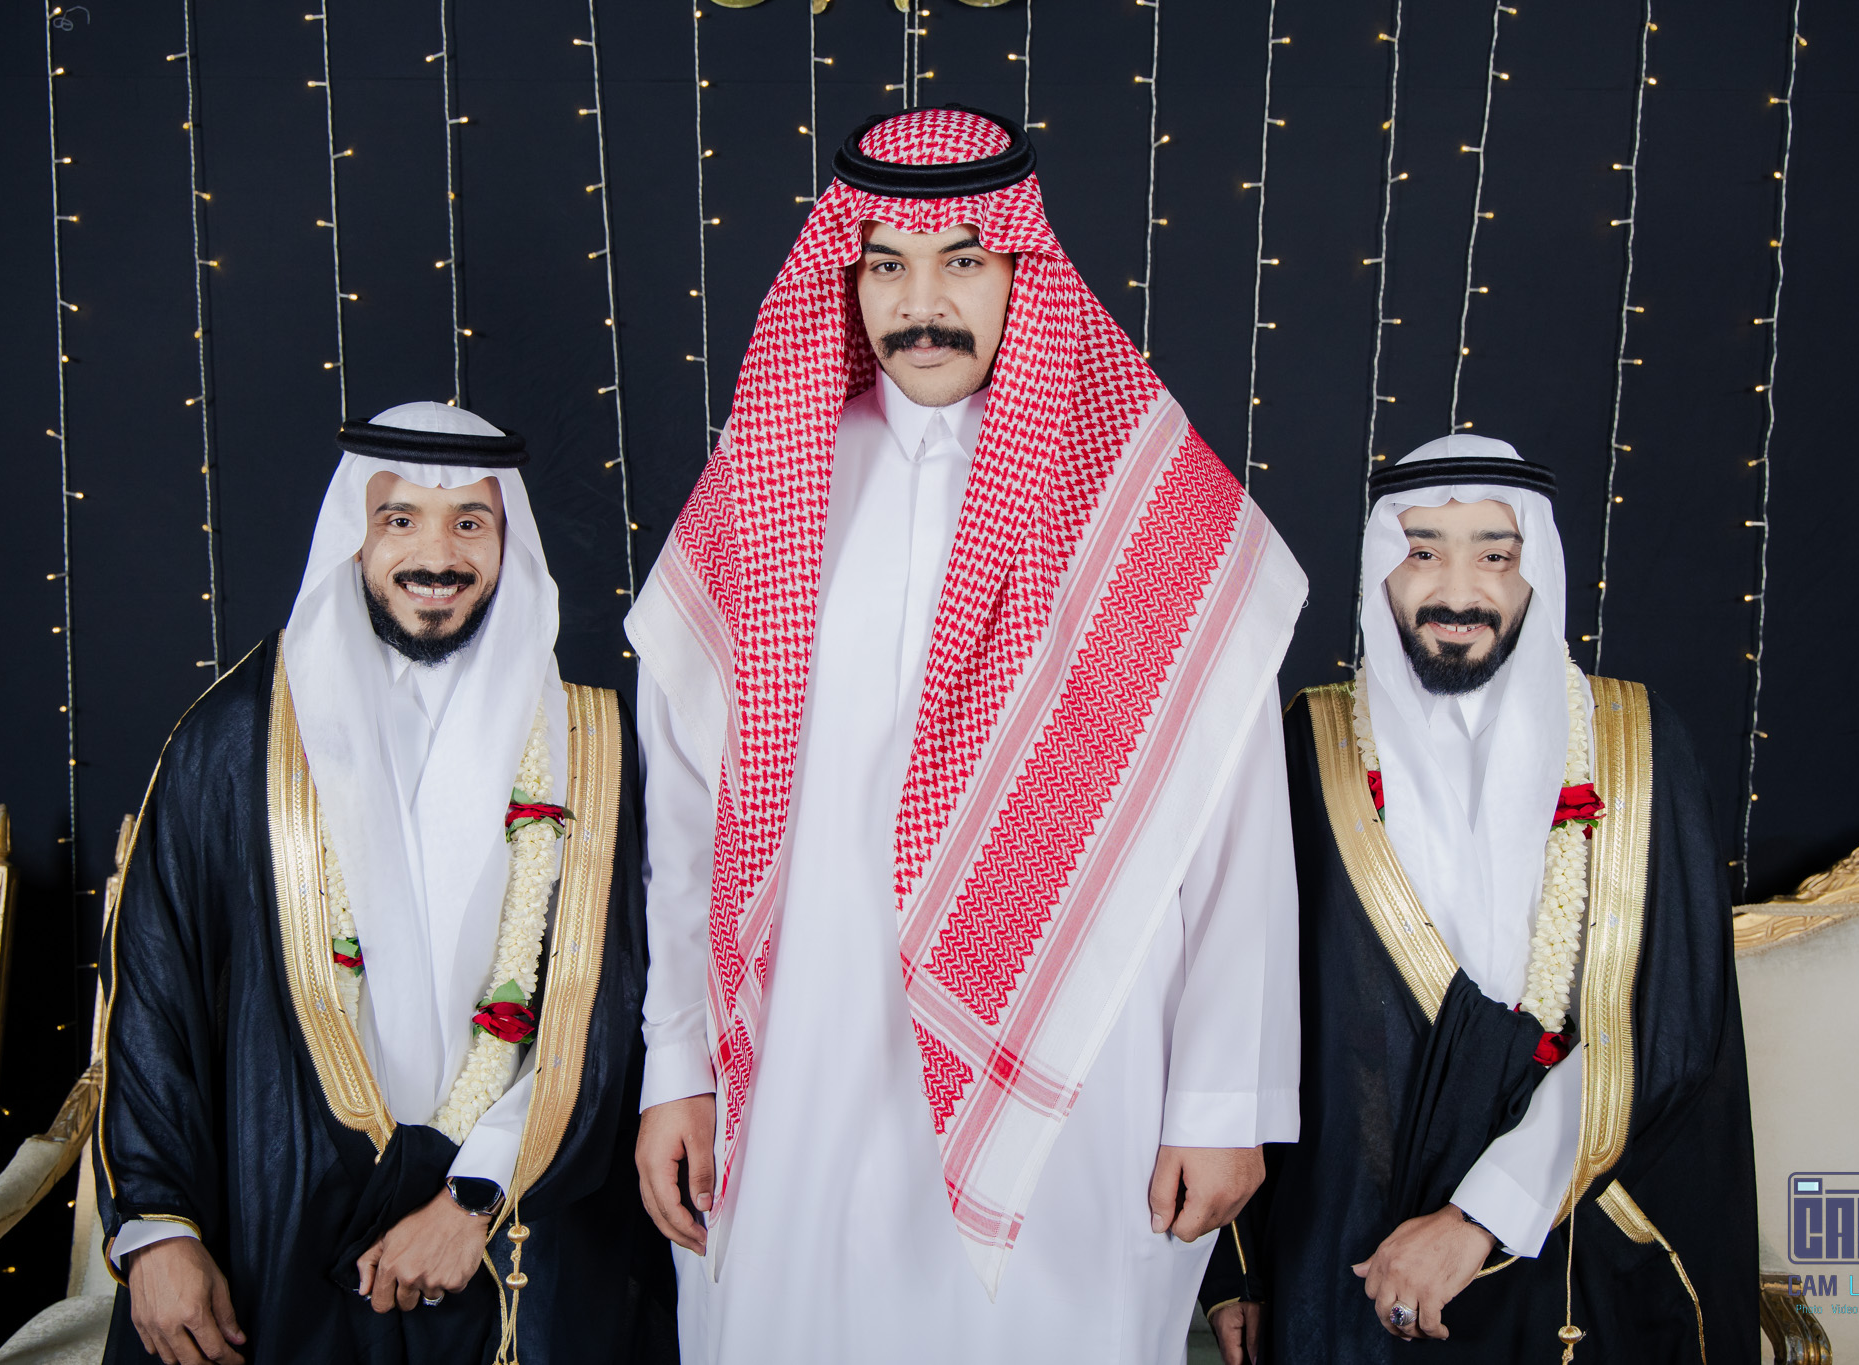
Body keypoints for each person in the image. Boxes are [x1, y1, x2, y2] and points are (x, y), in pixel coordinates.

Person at [624, 106, 1310, 1363]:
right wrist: (676, 1065)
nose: (920, 304)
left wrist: (1222, 1097)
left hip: (1072, 1059)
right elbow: (684, 817)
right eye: (885, 264)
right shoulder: (768, 481)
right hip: (805, 1046)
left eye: (961, 262)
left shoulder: (1144, 497)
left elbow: (1231, 827)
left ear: (1019, 274)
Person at [95, 403, 671, 1364]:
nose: (436, 555)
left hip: (511, 1236)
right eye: (400, 519)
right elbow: (157, 993)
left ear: (508, 540)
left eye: (469, 522)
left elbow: (610, 1008)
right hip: (282, 1229)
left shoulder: (592, 746)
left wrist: (474, 1195)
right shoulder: (234, 740)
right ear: (354, 536)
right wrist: (157, 1227)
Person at [1200, 435, 1757, 1363]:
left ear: (1535, 570)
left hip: (1574, 1235)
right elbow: (1240, 997)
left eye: (1495, 555)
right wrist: (1240, 1268)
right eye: (1423, 551)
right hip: (1350, 1247)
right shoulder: (1312, 743)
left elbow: (1670, 1025)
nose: (1457, 591)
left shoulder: (1637, 742)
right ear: (1383, 567)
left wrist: (1481, 1216)